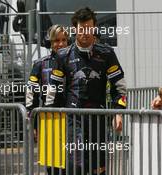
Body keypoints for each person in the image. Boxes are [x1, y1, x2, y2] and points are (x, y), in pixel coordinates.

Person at [47, 7, 126, 174]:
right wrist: (48, 118)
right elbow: (53, 90)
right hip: (73, 119)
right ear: (75, 29)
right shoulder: (63, 55)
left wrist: (118, 112)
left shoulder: (107, 53)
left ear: (94, 27)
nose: (85, 33)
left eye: (89, 28)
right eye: (81, 29)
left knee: (99, 167)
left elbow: (119, 86)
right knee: (76, 165)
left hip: (99, 118)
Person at [26, 24, 69, 175]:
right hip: (49, 118)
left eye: (64, 40)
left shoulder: (75, 61)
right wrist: (33, 121)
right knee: (52, 165)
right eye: (57, 40)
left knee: (72, 164)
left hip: (73, 117)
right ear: (50, 43)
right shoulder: (40, 63)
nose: (61, 43)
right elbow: (31, 93)